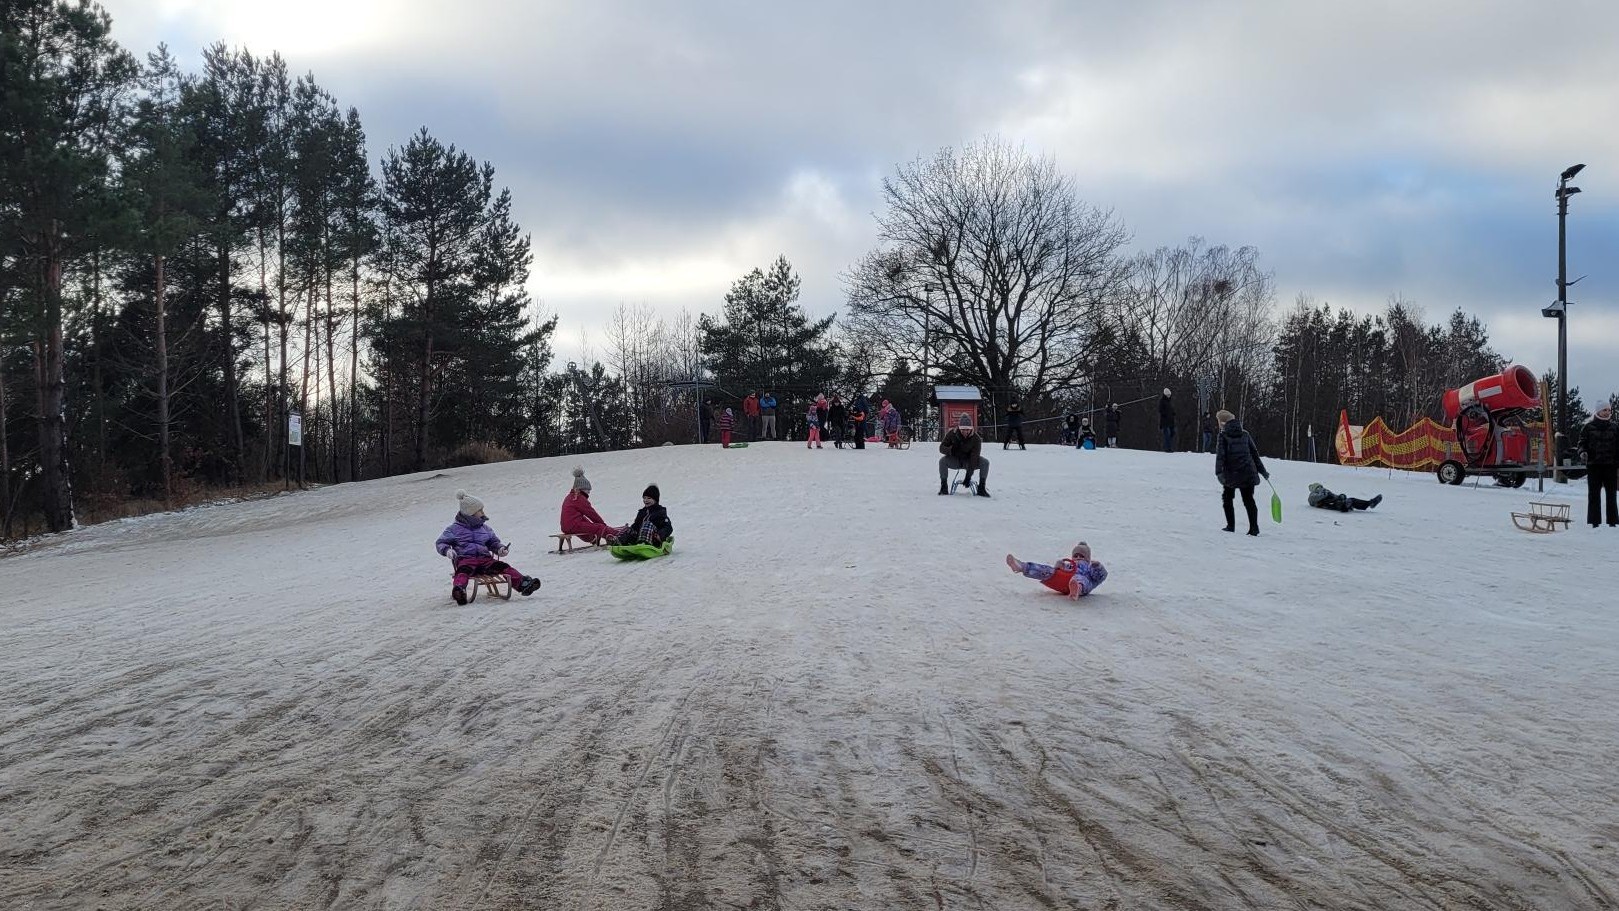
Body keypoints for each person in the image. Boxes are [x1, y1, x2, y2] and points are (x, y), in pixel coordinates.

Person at [435, 490, 541, 605]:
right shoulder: (454, 529)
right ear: (469, 513)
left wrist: (500, 549)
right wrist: (447, 550)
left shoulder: (485, 528)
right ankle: (459, 590)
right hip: (466, 560)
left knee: (504, 567)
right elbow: (441, 543)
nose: (482, 512)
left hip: (486, 561)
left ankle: (522, 583)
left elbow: (493, 542)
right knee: (462, 573)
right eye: (479, 510)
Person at [1214, 409, 1268, 535]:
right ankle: (1254, 528)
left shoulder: (1223, 436)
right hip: (1248, 471)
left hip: (1231, 473)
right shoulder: (1245, 434)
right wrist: (1262, 471)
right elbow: (1254, 454)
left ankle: (1230, 526)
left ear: (1222, 423)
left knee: (1227, 498)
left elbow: (1220, 456)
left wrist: (1219, 473)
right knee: (1249, 500)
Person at [1006, 542, 1107, 600]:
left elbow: (1100, 577)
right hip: (1066, 581)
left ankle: (1076, 590)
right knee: (1047, 571)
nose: (1078, 557)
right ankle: (1022, 567)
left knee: (1080, 579)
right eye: (1075, 555)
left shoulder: (1090, 566)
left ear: (1087, 558)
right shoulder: (1070, 564)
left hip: (1085, 583)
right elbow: (1061, 572)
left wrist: (1097, 567)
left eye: (1082, 556)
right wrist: (1059, 567)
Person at [560, 467, 627, 543]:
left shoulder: (570, 497)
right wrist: (603, 525)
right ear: (582, 489)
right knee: (600, 527)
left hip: (566, 526)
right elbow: (592, 514)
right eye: (588, 490)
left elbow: (577, 517)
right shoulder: (579, 498)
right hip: (573, 526)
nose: (589, 492)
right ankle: (618, 536)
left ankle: (593, 540)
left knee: (589, 526)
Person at [1579, 402, 1619, 527]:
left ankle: (1613, 523)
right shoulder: (1588, 427)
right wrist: (1582, 452)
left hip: (1611, 466)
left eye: (1609, 410)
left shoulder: (1615, 427)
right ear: (1598, 412)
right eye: (1604, 410)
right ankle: (1593, 523)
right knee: (1594, 495)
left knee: (1611, 495)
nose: (1607, 412)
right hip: (1594, 465)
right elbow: (1581, 443)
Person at [938, 414, 991, 497]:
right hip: (955, 460)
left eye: (967, 430)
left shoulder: (976, 439)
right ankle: (944, 487)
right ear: (959, 428)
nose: (965, 432)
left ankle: (981, 488)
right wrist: (951, 450)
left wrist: (968, 476)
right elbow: (941, 448)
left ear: (971, 429)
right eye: (963, 430)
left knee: (985, 462)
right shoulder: (952, 434)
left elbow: (974, 457)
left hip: (969, 462)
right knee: (942, 461)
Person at [1307, 482, 1382, 513]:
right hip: (1330, 505)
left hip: (1335, 502)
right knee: (1342, 503)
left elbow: (1334, 496)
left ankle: (1370, 503)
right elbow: (1317, 499)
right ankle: (1344, 505)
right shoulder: (1311, 496)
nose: (1321, 488)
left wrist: (1340, 496)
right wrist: (1324, 493)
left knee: (1352, 500)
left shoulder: (1324, 491)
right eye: (1319, 487)